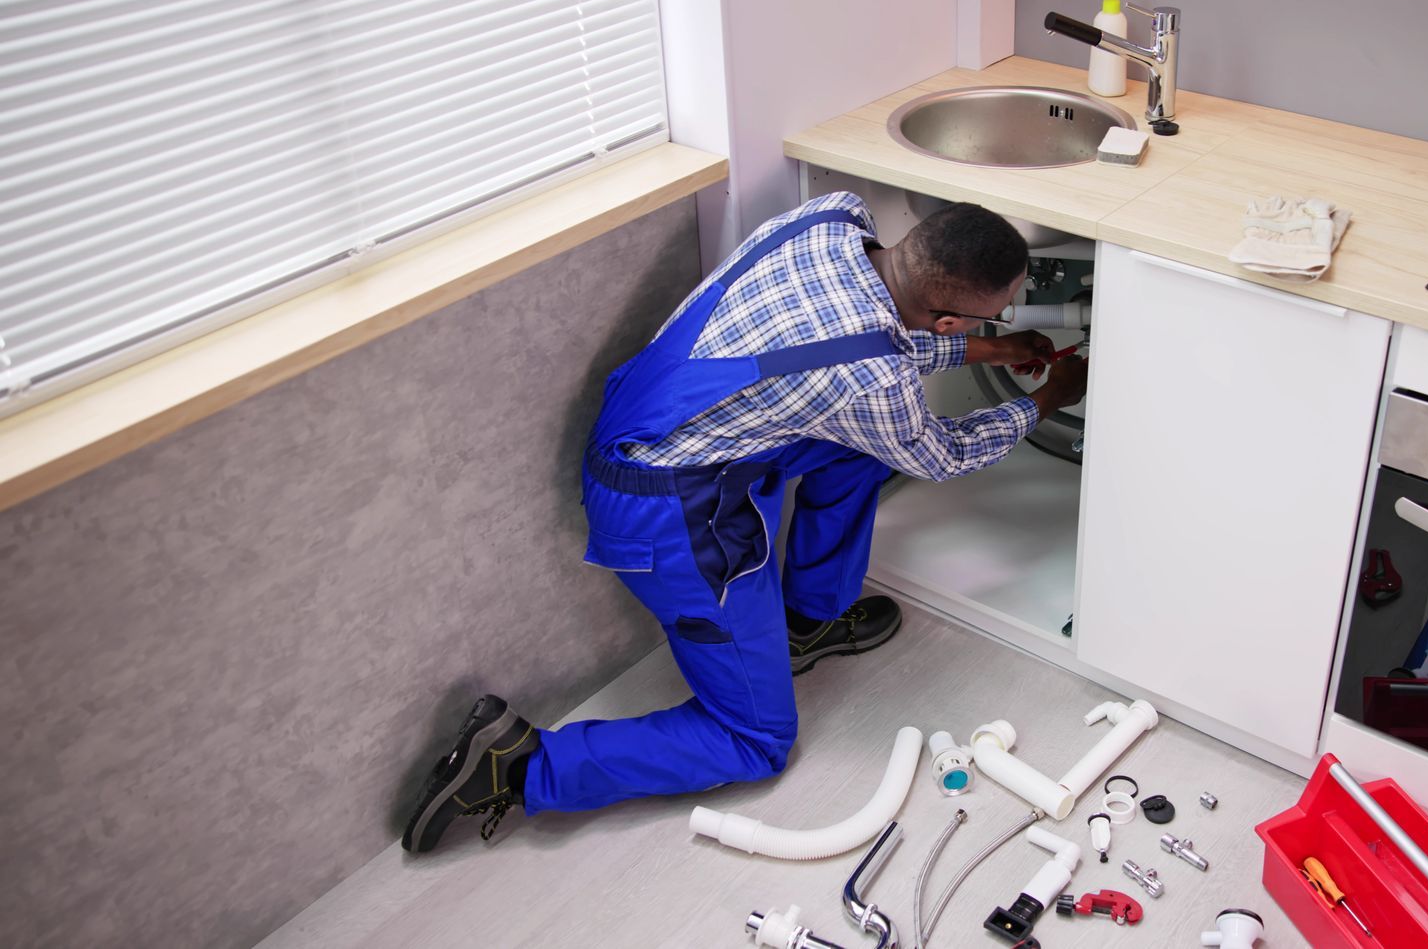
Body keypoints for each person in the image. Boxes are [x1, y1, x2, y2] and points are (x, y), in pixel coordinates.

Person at [401, 192, 1088, 852]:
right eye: (985, 320)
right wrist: (1045, 400)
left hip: (661, 422)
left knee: (858, 454)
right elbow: (941, 451)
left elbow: (864, 344)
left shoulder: (834, 219)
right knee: (755, 741)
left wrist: (989, 350)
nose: (990, 326)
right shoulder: (873, 380)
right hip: (666, 511)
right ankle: (517, 768)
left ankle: (805, 621)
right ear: (946, 319)